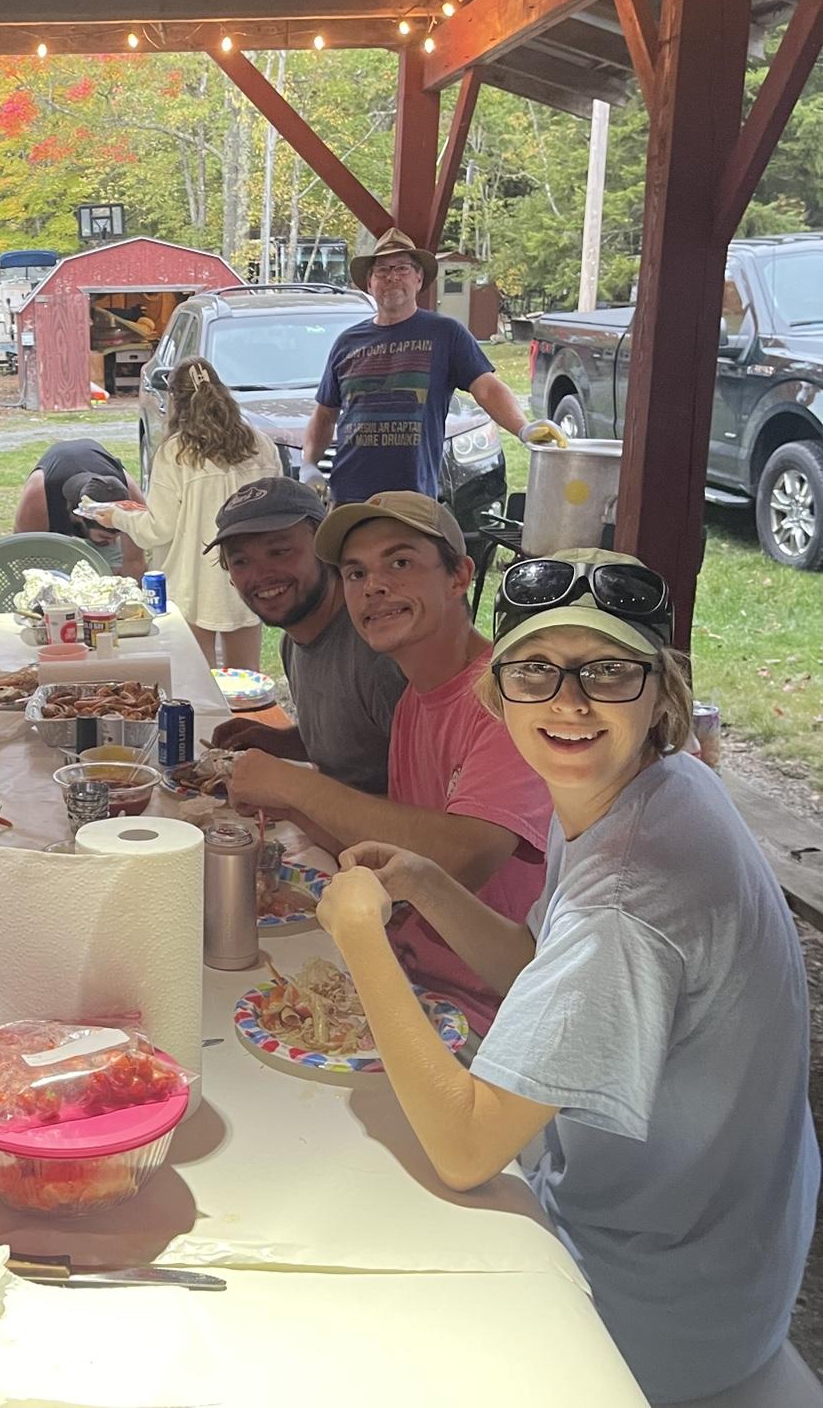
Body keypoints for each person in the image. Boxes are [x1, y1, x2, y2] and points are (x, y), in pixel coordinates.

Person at [314, 550, 819, 1405]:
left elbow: (467, 1149)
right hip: (731, 1247)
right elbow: (535, 965)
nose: (570, 703)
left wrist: (361, 936)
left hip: (650, 1306)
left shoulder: (626, 899)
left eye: (609, 672)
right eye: (537, 672)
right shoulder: (660, 784)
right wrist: (427, 885)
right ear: (495, 690)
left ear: (662, 691)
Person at [228, 491, 550, 1036]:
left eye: (400, 563)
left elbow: (463, 858)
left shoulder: (509, 696)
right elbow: (396, 853)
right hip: (405, 973)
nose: (373, 586)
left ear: (459, 576)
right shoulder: (415, 700)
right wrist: (285, 804)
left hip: (486, 1020)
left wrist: (295, 787)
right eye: (355, 573)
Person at [203, 477, 405, 794]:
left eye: (280, 551)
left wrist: (295, 796)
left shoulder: (376, 652)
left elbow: (431, 804)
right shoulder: (293, 643)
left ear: (326, 550)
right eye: (241, 561)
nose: (261, 574)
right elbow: (355, 752)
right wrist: (282, 740)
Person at [300, 227, 531, 504]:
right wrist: (309, 463)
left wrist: (524, 429)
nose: (392, 277)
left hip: (414, 495)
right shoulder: (347, 342)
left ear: (419, 278)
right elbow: (325, 414)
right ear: (370, 283)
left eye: (402, 268)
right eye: (382, 270)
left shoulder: (445, 333)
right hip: (349, 495)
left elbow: (488, 390)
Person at [86, 357, 281, 668]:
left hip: (193, 582)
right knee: (247, 680)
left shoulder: (176, 452)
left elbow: (158, 529)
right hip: (247, 573)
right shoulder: (261, 445)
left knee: (195, 684)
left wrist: (117, 517)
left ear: (174, 400)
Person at [12, 437, 147, 575]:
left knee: (115, 568)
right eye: (105, 537)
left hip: (97, 471)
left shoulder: (131, 496)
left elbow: (135, 562)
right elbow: (25, 557)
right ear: (78, 517)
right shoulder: (39, 495)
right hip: (53, 495)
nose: (113, 543)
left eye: (117, 535)